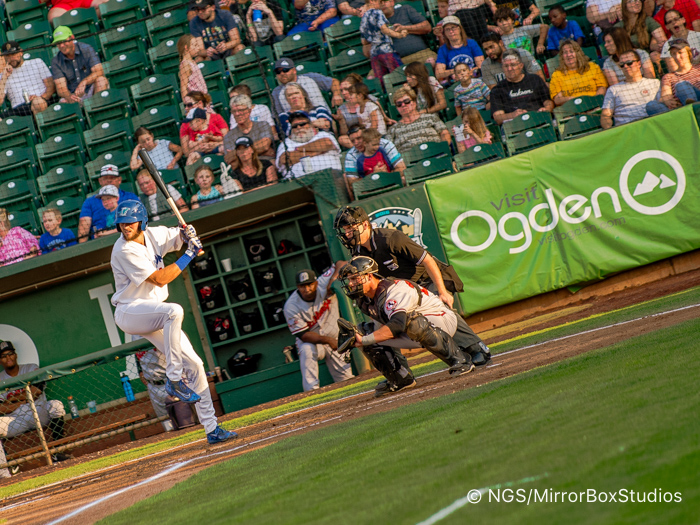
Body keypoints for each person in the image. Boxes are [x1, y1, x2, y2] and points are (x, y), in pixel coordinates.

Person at [109, 200, 237, 444]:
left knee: (196, 364)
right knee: (174, 311)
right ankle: (174, 378)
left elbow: (178, 237)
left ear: (142, 222)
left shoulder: (154, 234)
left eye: (130, 222)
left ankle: (212, 428)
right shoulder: (123, 250)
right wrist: (189, 253)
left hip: (155, 311)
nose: (126, 227)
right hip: (130, 312)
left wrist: (187, 234)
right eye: (122, 223)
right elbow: (159, 279)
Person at [336, 256, 490, 396]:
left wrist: (364, 340)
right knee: (363, 331)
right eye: (349, 280)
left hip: (441, 320)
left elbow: (397, 325)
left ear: (369, 276)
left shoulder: (394, 290)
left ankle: (461, 361)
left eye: (354, 278)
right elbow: (386, 326)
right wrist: (361, 338)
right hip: (415, 328)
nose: (351, 284)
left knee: (412, 323)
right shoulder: (364, 299)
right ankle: (400, 378)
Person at [333, 205, 463, 308]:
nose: (347, 233)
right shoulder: (357, 251)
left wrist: (442, 292)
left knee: (439, 316)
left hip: (427, 280)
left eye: (350, 228)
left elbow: (428, 260)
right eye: (345, 230)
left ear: (365, 225)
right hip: (405, 290)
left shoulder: (390, 238)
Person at [0, 341, 70, 479]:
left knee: (56, 406)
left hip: (39, 413)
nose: (8, 358)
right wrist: (25, 398)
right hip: (15, 420)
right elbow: (1, 408)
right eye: (3, 356)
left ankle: (58, 452)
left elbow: (36, 391)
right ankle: (5, 472)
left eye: (10, 354)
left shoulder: (31, 368)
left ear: (15, 355)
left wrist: (12, 400)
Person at [283, 267, 354, 392]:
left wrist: (333, 280)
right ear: (298, 287)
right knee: (306, 349)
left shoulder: (324, 282)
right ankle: (312, 391)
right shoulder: (291, 306)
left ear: (316, 283)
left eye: (310, 284)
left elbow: (341, 263)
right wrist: (328, 340)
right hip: (314, 342)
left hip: (335, 338)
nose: (307, 289)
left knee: (346, 380)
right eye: (302, 286)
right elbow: (304, 335)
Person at [490, 49, 554, 125]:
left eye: (513, 65)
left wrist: (546, 109)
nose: (509, 69)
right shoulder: (497, 90)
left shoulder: (535, 79)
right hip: (515, 125)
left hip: (539, 120)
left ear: (521, 66)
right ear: (502, 68)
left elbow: (548, 101)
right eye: (506, 66)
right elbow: (498, 117)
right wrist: (513, 115)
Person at [78, 164, 139, 243]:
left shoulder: (130, 197)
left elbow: (137, 222)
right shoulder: (89, 202)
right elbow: (83, 230)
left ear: (119, 180)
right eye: (105, 178)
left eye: (112, 178)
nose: (109, 181)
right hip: (102, 242)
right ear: (100, 181)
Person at [601, 49, 660, 127]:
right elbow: (605, 116)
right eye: (622, 65)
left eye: (629, 63)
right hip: (626, 128)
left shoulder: (654, 83)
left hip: (652, 125)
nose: (625, 66)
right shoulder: (613, 89)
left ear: (639, 64)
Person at [50, 26, 109, 103]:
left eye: (64, 41)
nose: (61, 45)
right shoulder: (56, 61)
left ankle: (99, 107)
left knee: (102, 80)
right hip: (73, 95)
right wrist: (70, 96)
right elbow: (61, 89)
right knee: (63, 102)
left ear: (72, 38)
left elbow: (99, 71)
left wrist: (84, 82)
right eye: (58, 43)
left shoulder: (86, 49)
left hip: (91, 89)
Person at [276, 111, 342, 178]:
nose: (299, 127)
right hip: (298, 181)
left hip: (331, 176)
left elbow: (327, 144)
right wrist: (317, 152)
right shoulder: (286, 143)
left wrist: (297, 149)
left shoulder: (323, 134)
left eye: (302, 124)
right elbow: (286, 159)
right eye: (294, 126)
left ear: (311, 125)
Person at [343, 125, 404, 197]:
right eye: (353, 141)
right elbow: (352, 184)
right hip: (369, 188)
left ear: (366, 136)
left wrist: (385, 176)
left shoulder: (385, 144)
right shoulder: (351, 155)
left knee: (403, 179)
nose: (356, 143)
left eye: (359, 138)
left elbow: (402, 168)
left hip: (391, 181)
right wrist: (374, 175)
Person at [386, 87, 451, 153]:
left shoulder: (431, 118)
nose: (403, 105)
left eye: (406, 101)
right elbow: (388, 150)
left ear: (414, 103)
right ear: (396, 107)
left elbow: (444, 133)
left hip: (435, 153)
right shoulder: (393, 129)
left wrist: (444, 150)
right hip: (409, 158)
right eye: (399, 104)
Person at [646, 37, 700, 113]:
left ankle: (694, 110)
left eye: (680, 52)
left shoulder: (698, 68)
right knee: (651, 105)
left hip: (698, 101)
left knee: (681, 85)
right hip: (679, 108)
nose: (677, 57)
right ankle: (685, 113)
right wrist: (667, 100)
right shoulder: (668, 77)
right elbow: (665, 95)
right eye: (674, 54)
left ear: (688, 53)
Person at [0, 41, 54, 116]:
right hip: (18, 110)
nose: (11, 58)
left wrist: (41, 97)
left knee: (38, 103)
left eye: (13, 54)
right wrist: (4, 77)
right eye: (7, 56)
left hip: (41, 101)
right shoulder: (3, 75)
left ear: (21, 52)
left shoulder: (36, 62)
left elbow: (51, 87)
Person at [271, 57, 342, 114]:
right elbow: (279, 115)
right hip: (298, 124)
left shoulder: (311, 77)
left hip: (323, 118)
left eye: (285, 70)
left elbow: (334, 82)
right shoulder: (276, 92)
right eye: (278, 72)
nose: (282, 73)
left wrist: (337, 94)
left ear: (294, 70)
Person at [549, 39, 609, 106]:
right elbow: (557, 99)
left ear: (578, 53)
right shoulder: (557, 74)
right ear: (562, 56)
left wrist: (594, 101)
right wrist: (572, 100)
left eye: (571, 51)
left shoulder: (593, 67)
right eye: (565, 53)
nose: (568, 55)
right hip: (572, 107)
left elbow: (602, 88)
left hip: (595, 104)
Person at [360, 0, 409, 80]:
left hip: (375, 56)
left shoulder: (364, 17)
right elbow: (384, 29)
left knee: (382, 81)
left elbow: (364, 42)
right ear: (372, 1)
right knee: (399, 77)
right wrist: (399, 35)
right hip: (387, 52)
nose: (382, 4)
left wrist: (377, 36)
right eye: (380, 1)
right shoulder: (377, 12)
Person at [223, 94, 275, 166]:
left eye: (240, 110)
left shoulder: (262, 125)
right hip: (244, 168)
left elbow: (265, 146)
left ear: (249, 111)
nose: (237, 114)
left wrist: (236, 153)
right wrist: (262, 152)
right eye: (234, 111)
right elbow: (229, 158)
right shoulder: (229, 136)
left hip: (266, 164)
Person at [480, 32, 546, 89]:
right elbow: (494, 90)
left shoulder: (523, 54)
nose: (489, 52)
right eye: (486, 49)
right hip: (506, 97)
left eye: (491, 47)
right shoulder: (486, 65)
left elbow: (540, 80)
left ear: (500, 43)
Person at [381, 0, 437, 65]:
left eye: (385, 1)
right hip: (395, 62)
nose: (382, 4)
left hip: (420, 54)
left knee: (432, 61)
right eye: (380, 2)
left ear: (392, 2)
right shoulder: (375, 22)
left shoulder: (405, 10)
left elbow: (427, 27)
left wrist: (404, 28)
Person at [435, 16, 485, 83]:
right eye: (447, 29)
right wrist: (456, 72)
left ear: (460, 29)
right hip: (456, 82)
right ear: (444, 33)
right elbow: (439, 73)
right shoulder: (443, 49)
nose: (451, 31)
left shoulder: (471, 43)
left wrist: (467, 73)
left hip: (475, 79)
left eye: (453, 28)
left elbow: (481, 65)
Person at [135, 345, 171, 432]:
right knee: (166, 422)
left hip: (170, 381)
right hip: (153, 385)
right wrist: (140, 370)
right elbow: (137, 355)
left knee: (184, 416)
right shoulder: (134, 338)